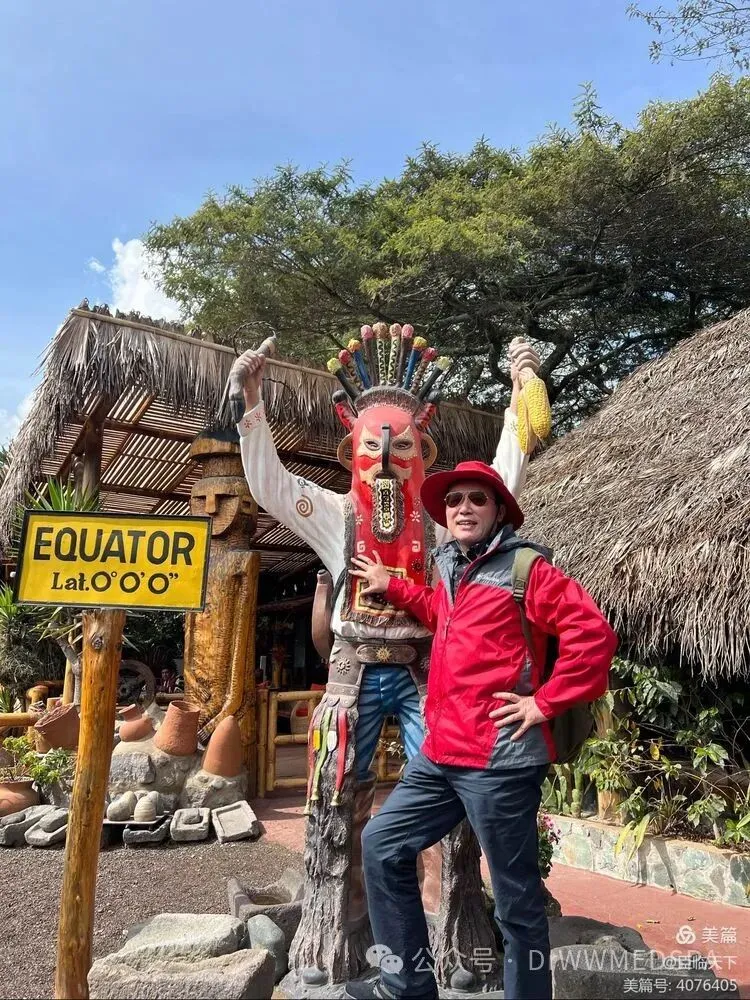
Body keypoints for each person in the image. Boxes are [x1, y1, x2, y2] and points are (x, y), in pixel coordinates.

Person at [346, 460, 618, 1000]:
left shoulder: (527, 570)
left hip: (500, 762)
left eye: (477, 499)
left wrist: (543, 703)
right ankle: (407, 985)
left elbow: (594, 636)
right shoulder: (451, 566)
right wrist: (391, 586)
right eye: (455, 501)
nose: (463, 508)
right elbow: (442, 613)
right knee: (381, 844)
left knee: (516, 902)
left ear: (498, 511)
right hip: (442, 753)